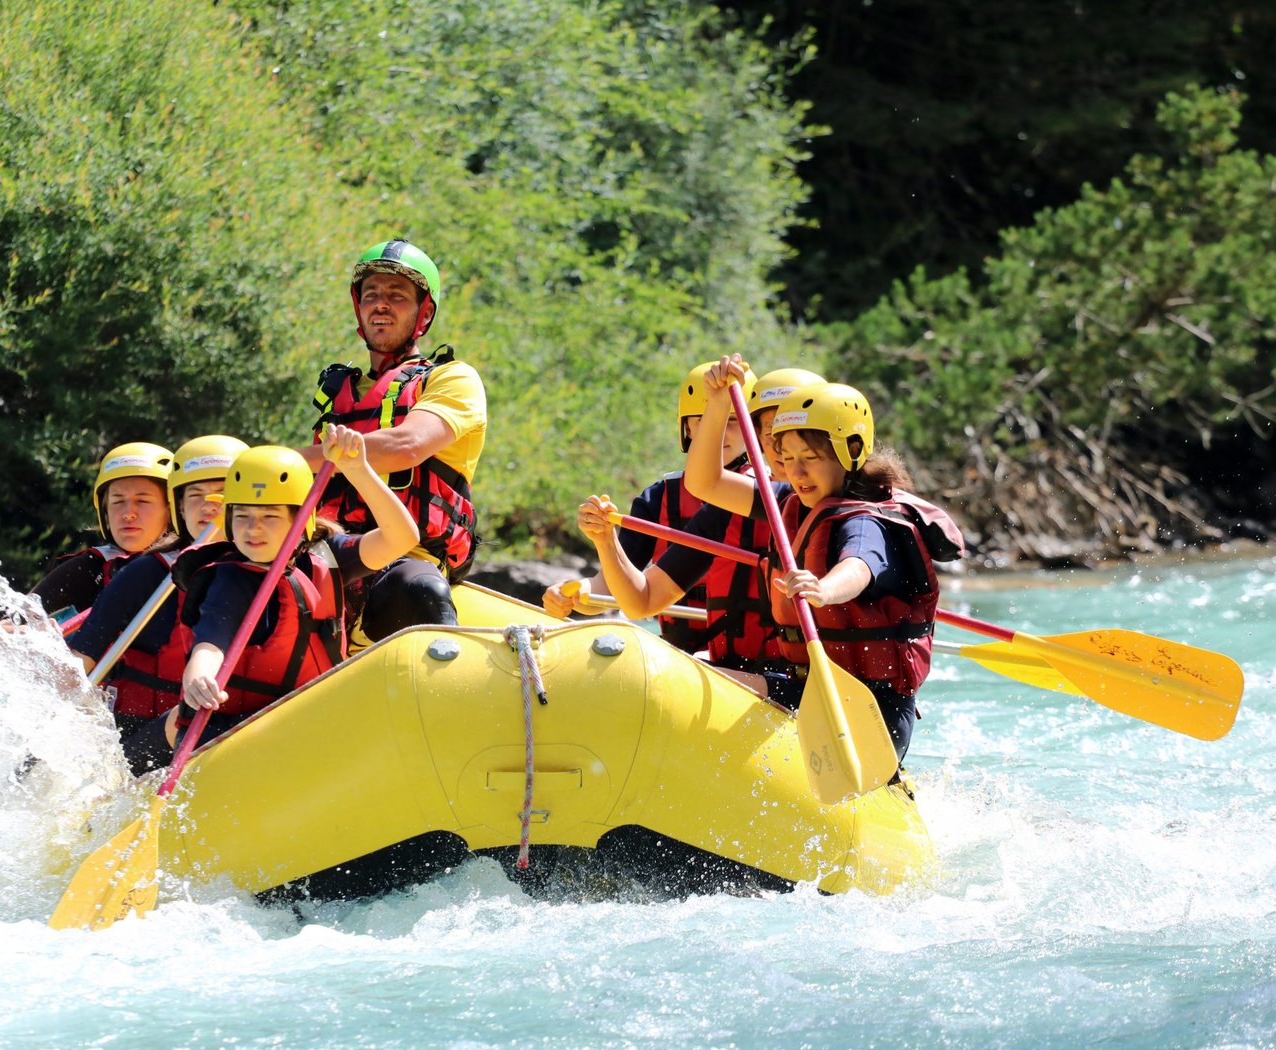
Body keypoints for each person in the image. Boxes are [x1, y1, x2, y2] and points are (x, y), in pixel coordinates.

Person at [682, 361, 965, 763]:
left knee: (712, 682)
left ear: (850, 451)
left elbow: (860, 566)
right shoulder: (792, 503)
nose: (796, 471)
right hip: (811, 693)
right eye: (787, 456)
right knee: (699, 677)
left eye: (810, 457)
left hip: (870, 713)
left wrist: (823, 589)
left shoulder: (867, 521)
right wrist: (714, 405)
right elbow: (704, 482)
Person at [123, 428, 418, 773]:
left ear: (301, 519)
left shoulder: (330, 557)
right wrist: (199, 678)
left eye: (270, 517)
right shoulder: (228, 578)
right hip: (235, 728)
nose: (253, 530)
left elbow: (402, 537)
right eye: (243, 516)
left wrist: (359, 471)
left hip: (310, 714)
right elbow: (210, 644)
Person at [544, 363, 822, 658]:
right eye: (701, 419)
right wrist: (578, 586)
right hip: (695, 656)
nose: (717, 431)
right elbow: (618, 591)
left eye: (730, 420)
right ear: (686, 427)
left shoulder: (796, 498)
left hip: (775, 664)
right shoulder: (670, 498)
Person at [300, 239, 485, 648]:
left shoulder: (452, 379)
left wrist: (287, 460)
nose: (381, 304)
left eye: (397, 296)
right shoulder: (337, 392)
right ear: (358, 309)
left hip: (406, 556)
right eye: (372, 295)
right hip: (335, 554)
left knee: (416, 586)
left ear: (424, 313)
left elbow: (406, 445)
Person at [64, 435, 247, 740]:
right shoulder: (147, 573)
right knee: (188, 715)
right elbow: (78, 665)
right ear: (179, 508)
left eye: (222, 495)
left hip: (247, 717)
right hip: (148, 733)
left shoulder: (279, 566)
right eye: (196, 495)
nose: (209, 506)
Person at [29, 442, 175, 620]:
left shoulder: (193, 567)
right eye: (118, 501)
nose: (128, 513)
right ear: (105, 510)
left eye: (143, 501)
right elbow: (12, 620)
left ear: (171, 510)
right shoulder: (88, 568)